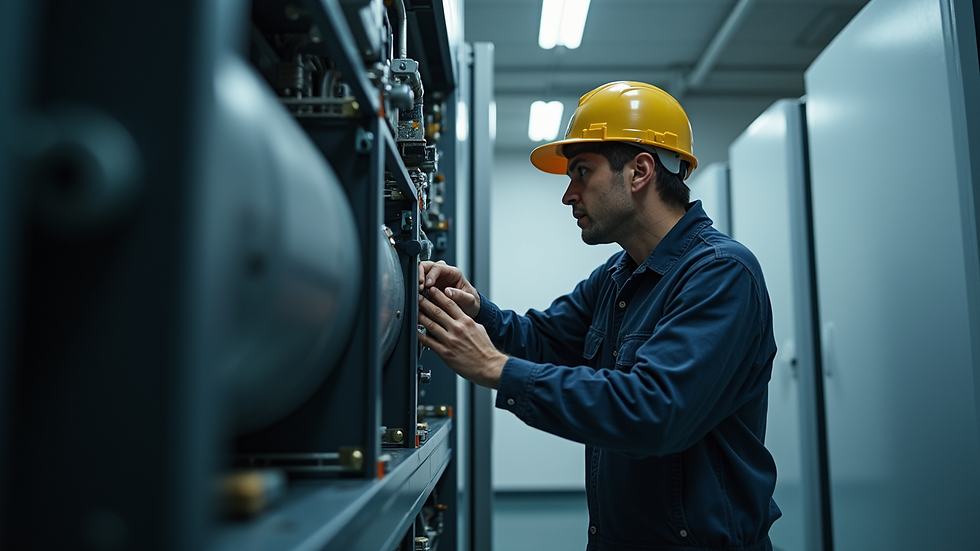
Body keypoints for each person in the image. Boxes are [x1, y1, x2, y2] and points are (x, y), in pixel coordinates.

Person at [417, 81, 779, 551]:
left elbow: (655, 411)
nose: (569, 195)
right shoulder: (616, 276)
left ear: (639, 172)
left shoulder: (722, 275)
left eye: (581, 172)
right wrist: (476, 309)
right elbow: (541, 337)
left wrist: (494, 368)